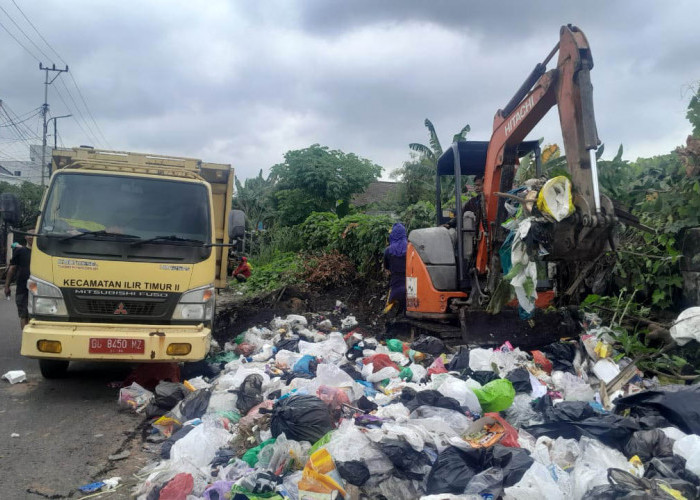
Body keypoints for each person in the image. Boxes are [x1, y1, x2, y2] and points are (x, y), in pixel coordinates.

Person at [5, 238, 32, 329]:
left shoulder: (41, 252)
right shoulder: (20, 251)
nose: (31, 237)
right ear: (26, 237)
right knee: (24, 315)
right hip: (22, 287)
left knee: (35, 315)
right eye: (30, 234)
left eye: (33, 234)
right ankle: (26, 340)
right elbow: (12, 269)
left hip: (37, 287)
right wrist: (6, 286)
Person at [383, 223, 407, 314]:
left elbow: (387, 268)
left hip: (395, 287)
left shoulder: (388, 251)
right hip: (410, 288)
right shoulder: (411, 249)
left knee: (388, 312)